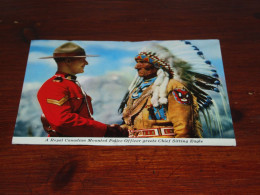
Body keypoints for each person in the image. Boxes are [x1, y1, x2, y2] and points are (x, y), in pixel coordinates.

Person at [37, 42, 128, 137]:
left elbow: (84, 119)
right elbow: (62, 121)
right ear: (68, 61)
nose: (86, 63)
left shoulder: (70, 84)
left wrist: (106, 128)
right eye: (82, 59)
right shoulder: (54, 86)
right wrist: (106, 130)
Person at [119, 44, 202, 138]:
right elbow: (134, 125)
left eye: (142, 62)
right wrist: (119, 129)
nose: (136, 66)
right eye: (137, 62)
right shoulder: (136, 91)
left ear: (158, 65)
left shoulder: (173, 86)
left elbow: (183, 128)